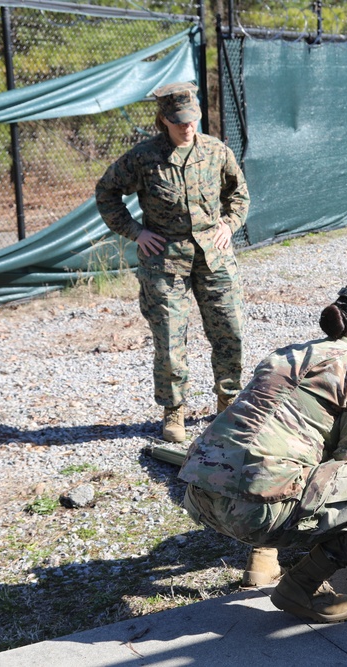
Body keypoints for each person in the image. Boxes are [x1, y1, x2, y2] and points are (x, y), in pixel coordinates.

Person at [178, 274, 347, 623]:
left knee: (293, 465)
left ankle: (263, 559)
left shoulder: (286, 355)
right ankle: (303, 584)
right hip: (256, 512)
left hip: (200, 496)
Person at [95, 81, 249, 442]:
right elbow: (107, 192)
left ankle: (228, 402)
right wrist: (136, 233)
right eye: (179, 121)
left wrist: (228, 224)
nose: (187, 127)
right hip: (165, 262)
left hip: (214, 256)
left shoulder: (215, 151)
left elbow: (239, 194)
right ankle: (174, 410)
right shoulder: (143, 158)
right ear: (163, 119)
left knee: (230, 331)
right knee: (168, 340)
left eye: (192, 120)